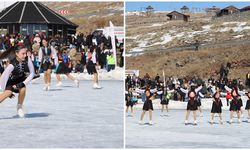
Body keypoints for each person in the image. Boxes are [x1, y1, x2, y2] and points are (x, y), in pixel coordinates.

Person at [0, 44, 34, 117]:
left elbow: (32, 73)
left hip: (20, 80)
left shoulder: (28, 59)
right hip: (11, 81)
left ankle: (19, 107)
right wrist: (5, 90)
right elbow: (3, 78)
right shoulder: (11, 65)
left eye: (26, 53)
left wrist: (23, 83)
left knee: (23, 89)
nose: (25, 55)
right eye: (23, 53)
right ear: (16, 53)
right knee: (8, 93)